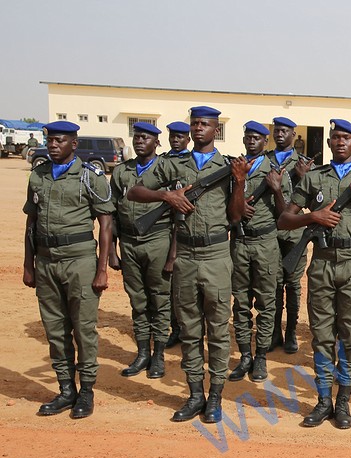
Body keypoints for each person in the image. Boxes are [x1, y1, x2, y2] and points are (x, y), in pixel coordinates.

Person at [127, 106, 245, 424]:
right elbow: (134, 191)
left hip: (218, 257)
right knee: (190, 331)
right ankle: (195, 395)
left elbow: (235, 216)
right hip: (186, 258)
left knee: (219, 332)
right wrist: (167, 196)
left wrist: (240, 181)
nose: (198, 128)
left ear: (215, 129)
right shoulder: (172, 163)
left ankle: (216, 397)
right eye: (194, 123)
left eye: (204, 124)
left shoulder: (228, 166)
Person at [278, 119, 351, 429]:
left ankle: (343, 403)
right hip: (322, 263)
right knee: (322, 335)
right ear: (329, 144)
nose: (340, 142)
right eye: (334, 138)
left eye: (345, 138)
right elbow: (285, 219)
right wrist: (314, 216)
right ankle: (323, 399)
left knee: (350, 336)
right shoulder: (314, 178)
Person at [25, 121, 114, 419]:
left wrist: (102, 269)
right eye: (50, 140)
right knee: (54, 328)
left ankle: (86, 391)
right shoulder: (38, 176)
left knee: (83, 328)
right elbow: (31, 223)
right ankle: (66, 390)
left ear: (73, 145)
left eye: (59, 141)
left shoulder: (90, 177)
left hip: (80, 261)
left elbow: (105, 224)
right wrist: (29, 265)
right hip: (47, 261)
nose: (52, 145)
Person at [108, 122, 173, 380]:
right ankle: (142, 352)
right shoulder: (122, 172)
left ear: (157, 142)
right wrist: (112, 250)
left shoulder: (166, 170)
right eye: (136, 137)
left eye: (145, 137)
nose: (139, 141)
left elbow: (179, 214)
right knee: (137, 299)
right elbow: (111, 213)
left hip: (158, 240)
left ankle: (158, 354)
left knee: (159, 298)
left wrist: (172, 255)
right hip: (129, 243)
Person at [227, 121, 288, 383]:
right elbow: (227, 210)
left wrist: (275, 190)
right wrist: (239, 204)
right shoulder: (233, 168)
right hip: (239, 242)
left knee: (266, 302)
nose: (251, 141)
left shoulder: (273, 171)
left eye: (257, 138)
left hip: (265, 244)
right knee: (240, 303)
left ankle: (261, 355)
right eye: (248, 137)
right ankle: (244, 356)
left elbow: (285, 214)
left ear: (266, 142)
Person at [268, 117, 313, 355]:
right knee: (273, 285)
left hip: (295, 234)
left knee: (293, 285)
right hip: (271, 232)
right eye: (277, 131)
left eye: (285, 131)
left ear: (294, 135)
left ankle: (291, 333)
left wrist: (302, 177)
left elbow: (315, 195)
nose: (280, 134)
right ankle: (274, 332)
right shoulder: (265, 160)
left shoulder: (305, 164)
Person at [162, 120, 192, 348]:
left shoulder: (190, 164)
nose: (175, 139)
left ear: (188, 140)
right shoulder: (163, 162)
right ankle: (175, 328)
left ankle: (188, 329)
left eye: (180, 136)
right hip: (162, 228)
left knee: (188, 289)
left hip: (184, 228)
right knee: (171, 288)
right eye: (173, 136)